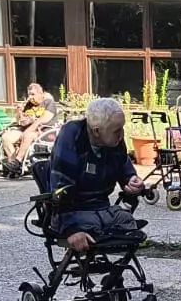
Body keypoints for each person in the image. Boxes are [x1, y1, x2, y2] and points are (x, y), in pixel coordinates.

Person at [45, 97, 145, 253]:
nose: (121, 135)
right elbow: (60, 188)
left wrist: (132, 181)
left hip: (102, 209)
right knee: (92, 230)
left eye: (122, 128)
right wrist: (71, 229)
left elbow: (125, 168)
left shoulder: (114, 141)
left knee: (127, 221)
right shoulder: (72, 135)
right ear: (96, 130)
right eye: (117, 131)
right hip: (73, 212)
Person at [1, 81, 55, 178]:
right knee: (6, 137)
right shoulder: (29, 104)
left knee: (28, 135)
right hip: (26, 129)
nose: (30, 97)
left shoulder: (48, 103)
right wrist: (19, 113)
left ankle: (18, 161)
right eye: (29, 95)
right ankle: (13, 165)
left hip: (42, 131)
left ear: (40, 93)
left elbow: (44, 119)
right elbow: (21, 122)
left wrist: (28, 130)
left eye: (33, 94)